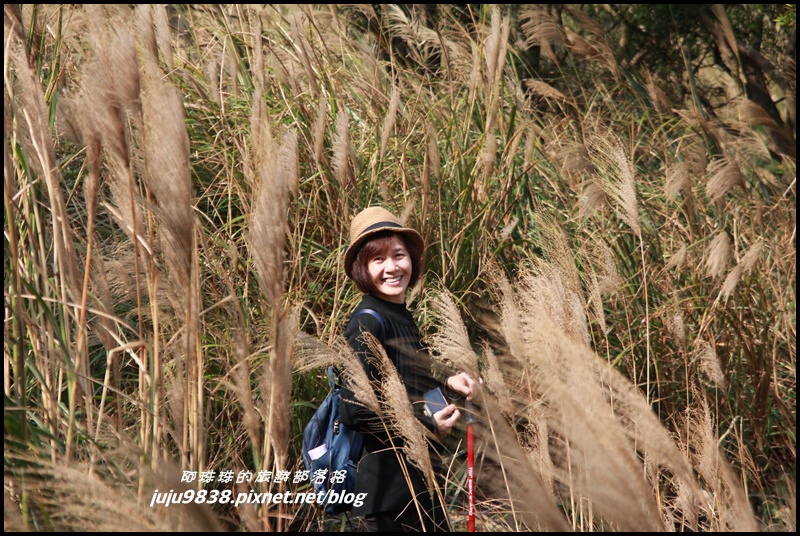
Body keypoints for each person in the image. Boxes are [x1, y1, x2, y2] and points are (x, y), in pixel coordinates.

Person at [338, 206, 478, 532]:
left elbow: (411, 392)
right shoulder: (366, 323)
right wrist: (425, 421)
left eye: (399, 255)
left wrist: (449, 386)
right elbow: (354, 411)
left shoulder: (399, 315)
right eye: (378, 260)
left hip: (420, 487)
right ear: (362, 268)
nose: (392, 268)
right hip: (389, 499)